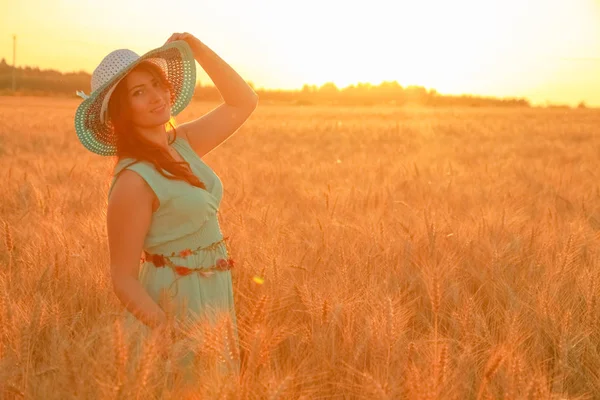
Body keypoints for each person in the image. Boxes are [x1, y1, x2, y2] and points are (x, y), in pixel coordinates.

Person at [74, 32, 258, 382]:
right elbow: (123, 278)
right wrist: (167, 329)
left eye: (157, 84)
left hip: (215, 291)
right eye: (138, 92)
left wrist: (199, 50)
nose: (157, 97)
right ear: (119, 112)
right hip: (175, 302)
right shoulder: (133, 181)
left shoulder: (183, 143)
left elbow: (243, 102)